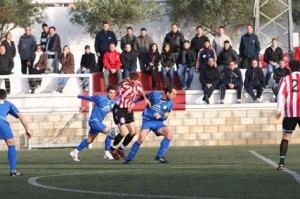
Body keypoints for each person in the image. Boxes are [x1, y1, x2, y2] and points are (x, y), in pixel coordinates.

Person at [124, 86, 177, 164]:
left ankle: (159, 157)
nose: (174, 96)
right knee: (141, 138)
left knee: (169, 134)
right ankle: (128, 158)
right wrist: (134, 103)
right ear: (167, 93)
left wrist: (161, 116)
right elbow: (143, 96)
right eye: (173, 94)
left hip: (158, 123)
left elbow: (165, 116)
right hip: (148, 120)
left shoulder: (171, 104)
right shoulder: (154, 94)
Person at [107, 73, 151, 160]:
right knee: (123, 133)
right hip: (119, 110)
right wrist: (123, 81)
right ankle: (112, 149)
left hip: (128, 110)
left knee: (133, 132)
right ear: (130, 79)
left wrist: (145, 98)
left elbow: (141, 90)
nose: (134, 84)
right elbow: (119, 89)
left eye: (136, 82)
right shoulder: (124, 86)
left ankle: (121, 148)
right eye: (133, 82)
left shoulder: (137, 84)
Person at [70, 85, 117, 162]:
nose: (112, 95)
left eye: (114, 93)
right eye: (110, 93)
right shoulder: (100, 98)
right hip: (94, 121)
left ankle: (75, 152)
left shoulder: (113, 103)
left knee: (89, 140)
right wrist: (79, 96)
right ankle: (107, 152)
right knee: (111, 132)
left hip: (97, 123)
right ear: (107, 92)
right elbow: (89, 98)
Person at [275, 60, 300, 170]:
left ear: (289, 68)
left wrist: (278, 109)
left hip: (290, 112)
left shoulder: (285, 79)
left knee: (286, 136)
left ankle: (281, 163)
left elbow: (280, 94)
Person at [0, 89, 31, 176]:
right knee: (11, 144)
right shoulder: (8, 104)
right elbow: (20, 116)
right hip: (1, 122)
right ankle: (13, 171)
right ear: (5, 96)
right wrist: (27, 129)